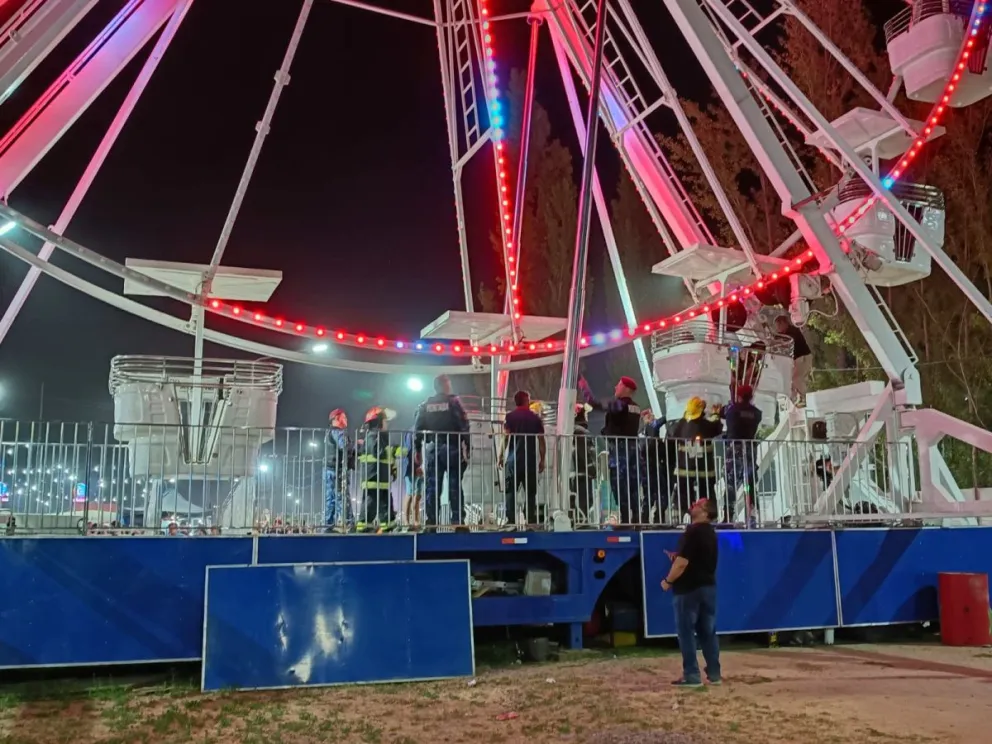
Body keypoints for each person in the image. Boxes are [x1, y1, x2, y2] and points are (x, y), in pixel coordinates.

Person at [661, 497, 721, 687]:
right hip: (708, 588)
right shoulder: (711, 533)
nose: (693, 504)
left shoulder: (692, 532)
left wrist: (668, 581)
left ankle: (692, 675)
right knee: (708, 632)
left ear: (705, 511)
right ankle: (714, 673)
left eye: (698, 504)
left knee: (686, 632)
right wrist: (678, 557)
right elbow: (697, 560)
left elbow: (682, 564)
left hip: (688, 589)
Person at [579, 375, 644, 525]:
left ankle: (626, 520)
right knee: (633, 486)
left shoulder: (620, 405)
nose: (616, 387)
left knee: (619, 485)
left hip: (620, 450)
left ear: (626, 389)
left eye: (619, 385)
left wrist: (584, 386)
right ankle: (636, 519)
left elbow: (594, 403)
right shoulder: (635, 407)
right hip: (633, 449)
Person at [414, 375, 470, 527]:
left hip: (432, 449)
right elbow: (463, 425)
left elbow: (418, 429)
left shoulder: (425, 405)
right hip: (452, 448)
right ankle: (457, 521)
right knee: (454, 486)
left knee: (432, 487)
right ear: (445, 385)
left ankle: (431, 522)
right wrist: (468, 446)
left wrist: (417, 450)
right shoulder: (453, 402)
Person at [668, 397, 723, 520]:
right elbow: (716, 428)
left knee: (683, 492)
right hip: (703, 468)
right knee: (706, 493)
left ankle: (682, 515)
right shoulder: (704, 425)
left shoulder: (681, 424)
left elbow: (672, 433)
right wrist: (715, 414)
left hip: (684, 467)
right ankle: (710, 516)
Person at [498, 390, 546, 527]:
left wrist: (500, 456)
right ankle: (530, 520)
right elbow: (541, 440)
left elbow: (505, 438)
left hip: (513, 461)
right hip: (529, 461)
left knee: (510, 492)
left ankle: (511, 521)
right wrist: (542, 460)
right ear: (526, 400)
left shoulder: (510, 417)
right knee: (530, 493)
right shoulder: (535, 418)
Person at [721, 385, 762, 524]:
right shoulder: (757, 413)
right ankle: (752, 515)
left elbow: (722, 413)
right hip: (750, 450)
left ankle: (728, 516)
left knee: (730, 483)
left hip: (734, 450)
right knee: (749, 483)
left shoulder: (732, 410)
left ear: (738, 396)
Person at [356, 406, 396, 532]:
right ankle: (363, 526)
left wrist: (392, 468)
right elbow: (378, 453)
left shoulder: (379, 436)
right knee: (371, 502)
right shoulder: (373, 436)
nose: (387, 423)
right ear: (378, 422)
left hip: (380, 477)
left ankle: (388, 525)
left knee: (385, 502)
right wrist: (394, 450)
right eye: (385, 421)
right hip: (373, 476)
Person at [323, 408, 352, 530]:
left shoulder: (328, 433)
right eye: (343, 417)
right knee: (342, 497)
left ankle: (328, 526)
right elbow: (344, 446)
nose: (346, 419)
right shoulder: (338, 432)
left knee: (330, 499)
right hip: (337, 470)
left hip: (328, 469)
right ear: (336, 418)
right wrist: (355, 445)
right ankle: (349, 523)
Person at [570, 403, 598, 524]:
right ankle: (583, 522)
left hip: (575, 473)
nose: (587, 416)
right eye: (585, 413)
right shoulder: (581, 432)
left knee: (577, 499)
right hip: (582, 473)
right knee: (584, 500)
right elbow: (584, 452)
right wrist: (592, 468)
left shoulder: (573, 430)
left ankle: (579, 520)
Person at [775, 315, 812, 403]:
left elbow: (790, 341)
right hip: (798, 359)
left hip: (803, 357)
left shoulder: (793, 331)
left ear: (784, 323)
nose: (777, 328)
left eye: (778, 325)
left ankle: (806, 398)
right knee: (791, 379)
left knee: (796, 378)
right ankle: (795, 399)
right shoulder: (784, 333)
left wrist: (778, 342)